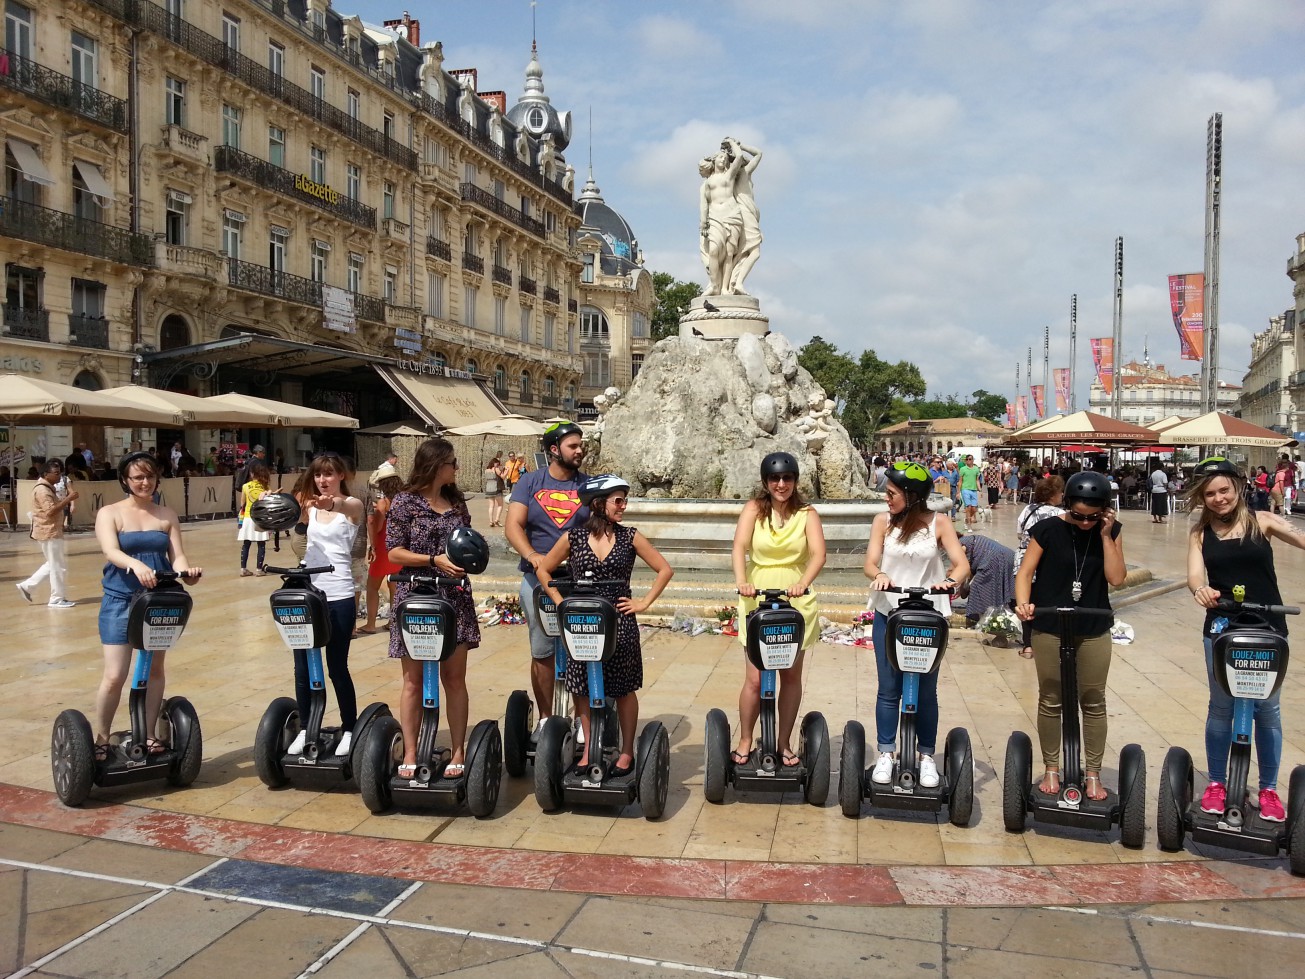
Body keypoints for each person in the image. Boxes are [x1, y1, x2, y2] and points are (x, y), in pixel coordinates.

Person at [1185, 457, 1305, 823]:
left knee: (1266, 708)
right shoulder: (1199, 533)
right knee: (1221, 705)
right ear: (1202, 498)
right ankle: (1217, 783)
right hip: (1222, 626)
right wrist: (1201, 590)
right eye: (1210, 494)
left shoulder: (1263, 521)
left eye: (1224, 490)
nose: (1219, 498)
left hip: (1267, 625)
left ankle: (1268, 788)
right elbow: (1193, 576)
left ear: (1238, 487)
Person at [536, 474, 674, 774]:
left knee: (623, 688)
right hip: (582, 622)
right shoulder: (572, 538)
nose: (623, 506)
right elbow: (544, 570)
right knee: (582, 686)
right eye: (618, 500)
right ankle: (589, 749)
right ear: (599, 504)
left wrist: (643, 602)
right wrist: (560, 602)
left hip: (619, 622)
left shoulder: (630, 536)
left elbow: (664, 569)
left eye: (625, 500)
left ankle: (626, 751)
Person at [1014, 471, 1125, 801]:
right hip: (1050, 624)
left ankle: (1092, 772)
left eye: (1093, 517)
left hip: (1093, 626)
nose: (1085, 522)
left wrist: (1105, 535)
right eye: (1078, 515)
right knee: (1051, 698)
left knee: (1093, 700)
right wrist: (1023, 604)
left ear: (1105, 510)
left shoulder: (1111, 531)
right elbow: (1025, 572)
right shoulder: (1047, 529)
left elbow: (1117, 578)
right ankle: (1051, 767)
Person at [865, 462, 969, 787]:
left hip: (928, 616)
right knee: (889, 688)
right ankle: (886, 752)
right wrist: (879, 574)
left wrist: (950, 581)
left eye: (892, 493)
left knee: (926, 690)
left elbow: (961, 564)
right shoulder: (882, 522)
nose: (887, 498)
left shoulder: (939, 522)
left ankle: (926, 756)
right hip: (888, 611)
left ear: (911, 496)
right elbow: (869, 562)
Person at [93, 452, 202, 757]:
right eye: (138, 477)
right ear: (125, 481)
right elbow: (110, 551)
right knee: (115, 675)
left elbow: (177, 556)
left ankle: (150, 732)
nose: (145, 482)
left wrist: (187, 573)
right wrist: (134, 565)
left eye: (150, 476)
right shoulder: (110, 513)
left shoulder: (166, 514)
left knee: (154, 669)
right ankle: (101, 737)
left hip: (157, 602)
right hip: (120, 601)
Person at [386, 438, 480, 779]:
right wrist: (432, 560)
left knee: (454, 679)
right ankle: (410, 750)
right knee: (412, 681)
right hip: (416, 597)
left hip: (453, 597)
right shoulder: (404, 502)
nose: (456, 468)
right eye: (452, 462)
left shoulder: (456, 504)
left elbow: (468, 543)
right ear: (435, 464)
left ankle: (458, 750)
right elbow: (393, 552)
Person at [732, 452, 826, 767]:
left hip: (795, 600)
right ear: (765, 482)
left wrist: (803, 582)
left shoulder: (807, 513)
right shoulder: (753, 510)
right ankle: (746, 738)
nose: (781, 484)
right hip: (756, 597)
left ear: (795, 480)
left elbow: (818, 555)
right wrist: (742, 581)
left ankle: (783, 741)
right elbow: (739, 547)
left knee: (790, 675)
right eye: (775, 479)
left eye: (787, 478)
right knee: (756, 679)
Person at [505, 421, 589, 735]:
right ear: (554, 450)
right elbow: (513, 525)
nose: (579, 450)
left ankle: (583, 719)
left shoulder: (588, 485)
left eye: (581, 445)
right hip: (537, 580)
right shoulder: (529, 482)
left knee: (581, 649)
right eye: (573, 446)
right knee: (542, 652)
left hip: (578, 581)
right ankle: (544, 718)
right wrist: (531, 555)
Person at [285, 454, 363, 756]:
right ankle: (306, 727)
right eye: (318, 475)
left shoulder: (350, 506)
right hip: (310, 594)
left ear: (340, 475)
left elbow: (348, 506)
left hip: (340, 593)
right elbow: (301, 545)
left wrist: (332, 504)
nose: (322, 480)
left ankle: (349, 727)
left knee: (336, 667)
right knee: (302, 666)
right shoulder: (310, 508)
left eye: (328, 474)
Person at [1012, 476, 1066, 658]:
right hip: (1045, 562)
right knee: (1044, 602)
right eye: (1060, 492)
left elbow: (1019, 533)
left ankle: (1028, 646)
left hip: (1023, 559)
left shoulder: (1027, 509)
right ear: (1054, 495)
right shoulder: (1058, 514)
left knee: (1025, 604)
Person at [17, 459, 79, 608]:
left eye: (60, 473)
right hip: (48, 531)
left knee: (52, 564)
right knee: (58, 566)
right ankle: (56, 598)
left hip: (50, 530)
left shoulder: (47, 487)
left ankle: (27, 586)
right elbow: (50, 511)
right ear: (46, 474)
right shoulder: (43, 490)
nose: (59, 477)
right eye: (56, 473)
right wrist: (68, 499)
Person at [360, 461, 402, 635]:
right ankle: (394, 622)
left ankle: (370, 623)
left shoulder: (383, 503)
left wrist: (373, 547)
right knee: (395, 587)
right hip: (398, 547)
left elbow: (376, 526)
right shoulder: (403, 500)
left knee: (372, 586)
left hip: (383, 547)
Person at [958, 533, 1014, 628]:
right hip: (1009, 556)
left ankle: (985, 624)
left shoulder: (959, 545)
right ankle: (998, 619)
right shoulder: (969, 540)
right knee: (998, 589)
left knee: (978, 589)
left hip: (993, 559)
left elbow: (963, 569)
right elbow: (970, 570)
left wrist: (958, 587)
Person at [237, 461, 271, 576]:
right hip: (260, 518)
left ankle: (243, 569)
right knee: (261, 544)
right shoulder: (265, 487)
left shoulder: (245, 486)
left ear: (252, 474)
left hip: (247, 517)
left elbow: (242, 504)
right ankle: (259, 569)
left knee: (246, 544)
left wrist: (240, 521)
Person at [957, 454, 981, 529]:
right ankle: (969, 526)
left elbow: (977, 480)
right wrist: (958, 492)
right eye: (967, 459)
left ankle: (967, 519)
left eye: (970, 459)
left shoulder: (976, 469)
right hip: (965, 489)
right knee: (968, 507)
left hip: (973, 489)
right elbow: (960, 481)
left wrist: (980, 490)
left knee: (974, 508)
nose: (968, 461)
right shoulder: (963, 469)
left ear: (973, 460)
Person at [484, 452, 506, 527]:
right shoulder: (496, 469)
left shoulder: (486, 470)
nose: (498, 465)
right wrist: (506, 471)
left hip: (489, 488)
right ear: (494, 463)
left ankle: (491, 521)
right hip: (496, 488)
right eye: (497, 463)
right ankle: (497, 520)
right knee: (500, 505)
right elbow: (502, 476)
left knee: (491, 506)